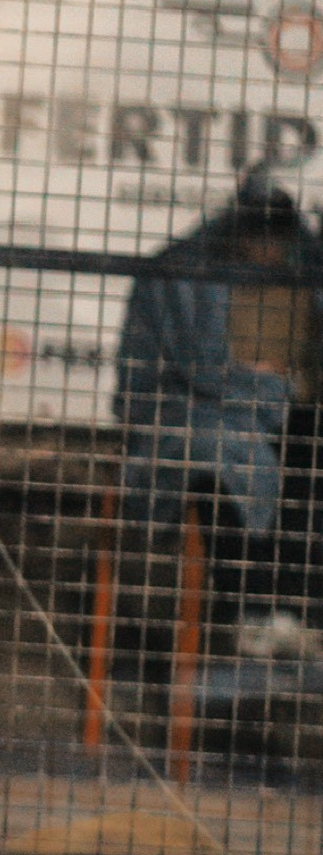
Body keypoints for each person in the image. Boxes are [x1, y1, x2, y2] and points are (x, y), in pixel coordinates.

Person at [115, 172, 323, 664]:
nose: (267, 251)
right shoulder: (187, 272)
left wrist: (282, 384)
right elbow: (193, 368)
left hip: (284, 413)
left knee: (304, 461)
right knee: (220, 464)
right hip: (197, 409)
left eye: (277, 240)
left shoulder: (306, 273)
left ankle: (300, 613)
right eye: (258, 238)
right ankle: (252, 610)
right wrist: (256, 380)